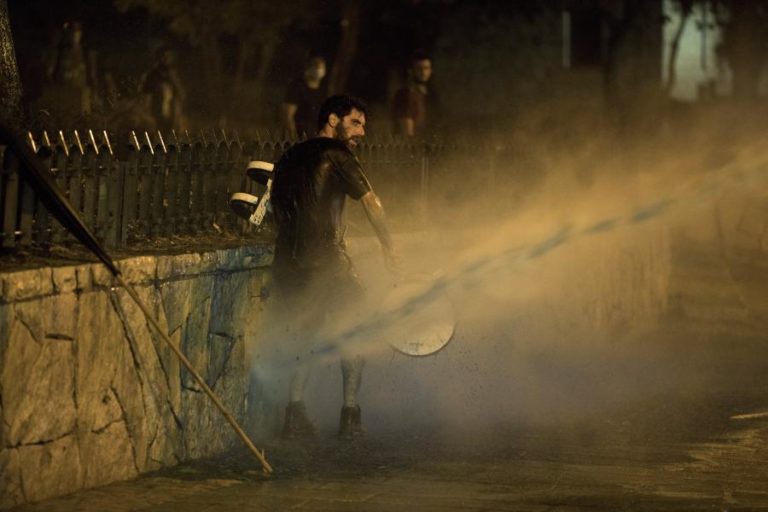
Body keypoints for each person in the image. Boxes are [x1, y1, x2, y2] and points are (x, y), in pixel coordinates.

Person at [270, 94, 397, 439]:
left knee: (305, 333)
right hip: (327, 261)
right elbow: (371, 203)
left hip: (288, 263)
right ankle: (350, 415)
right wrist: (388, 246)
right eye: (355, 123)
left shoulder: (287, 158)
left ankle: (294, 414)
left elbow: (278, 211)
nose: (361, 133)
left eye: (363, 125)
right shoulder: (339, 155)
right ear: (332, 120)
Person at [391, 51, 440, 138]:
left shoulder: (428, 96)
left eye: (426, 68)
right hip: (412, 147)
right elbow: (407, 133)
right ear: (411, 71)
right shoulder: (406, 95)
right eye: (419, 68)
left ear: (431, 71)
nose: (423, 72)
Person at [139, 46, 186, 132]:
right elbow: (146, 95)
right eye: (164, 56)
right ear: (159, 58)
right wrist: (147, 113)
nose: (167, 59)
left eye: (169, 57)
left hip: (173, 113)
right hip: (157, 113)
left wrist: (179, 114)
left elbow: (180, 94)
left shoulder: (173, 75)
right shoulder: (152, 76)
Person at [281, 57, 328, 139]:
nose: (318, 70)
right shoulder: (297, 87)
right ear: (309, 68)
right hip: (298, 135)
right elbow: (288, 115)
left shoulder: (323, 90)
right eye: (316, 67)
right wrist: (293, 137)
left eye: (321, 67)